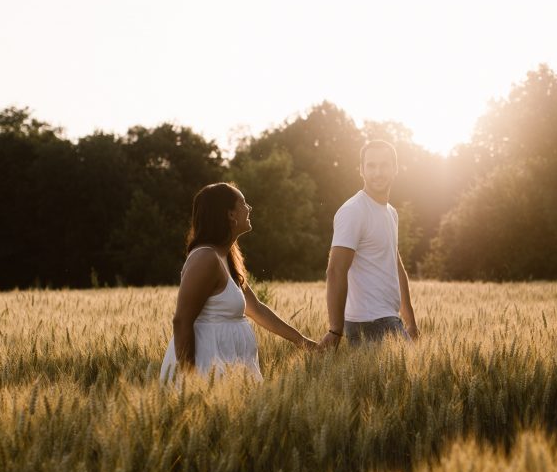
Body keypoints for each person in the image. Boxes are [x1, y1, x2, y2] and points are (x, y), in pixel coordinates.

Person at [161, 182, 317, 382]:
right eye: (243, 203)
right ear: (230, 214)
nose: (249, 208)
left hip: (230, 362)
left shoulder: (225, 257)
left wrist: (303, 342)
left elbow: (257, 310)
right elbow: (182, 321)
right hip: (207, 363)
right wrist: (191, 378)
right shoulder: (205, 258)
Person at [320, 140, 420, 348]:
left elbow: (395, 264)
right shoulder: (353, 211)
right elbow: (336, 270)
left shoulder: (391, 212)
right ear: (361, 170)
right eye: (371, 166)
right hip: (368, 322)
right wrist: (335, 330)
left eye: (384, 165)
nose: (378, 172)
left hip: (388, 318)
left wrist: (410, 321)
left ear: (395, 169)